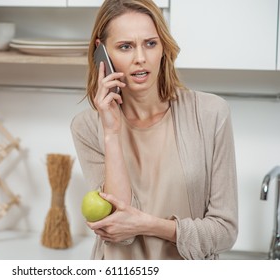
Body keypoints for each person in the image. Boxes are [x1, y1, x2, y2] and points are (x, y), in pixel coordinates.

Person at [70, 0, 238, 260]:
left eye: (150, 43)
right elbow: (119, 231)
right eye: (125, 46)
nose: (140, 58)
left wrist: (147, 224)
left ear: (163, 47)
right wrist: (111, 133)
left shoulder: (210, 114)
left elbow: (225, 232)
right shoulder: (87, 127)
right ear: (101, 51)